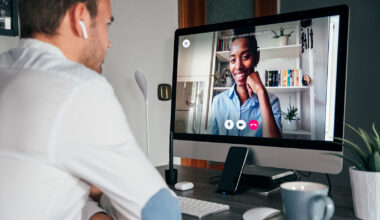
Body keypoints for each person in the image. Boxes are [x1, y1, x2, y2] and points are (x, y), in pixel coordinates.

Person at [0, 0, 180, 220]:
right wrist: (103, 194)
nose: (109, 42)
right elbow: (161, 212)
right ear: (80, 18)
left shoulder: (5, 70)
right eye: (107, 23)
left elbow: (38, 185)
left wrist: (94, 210)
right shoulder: (77, 87)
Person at [208, 27, 282, 137]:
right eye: (233, 60)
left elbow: (274, 149)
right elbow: (211, 145)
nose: (238, 66)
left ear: (257, 57)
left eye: (245, 57)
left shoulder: (272, 101)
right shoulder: (218, 101)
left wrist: (261, 92)